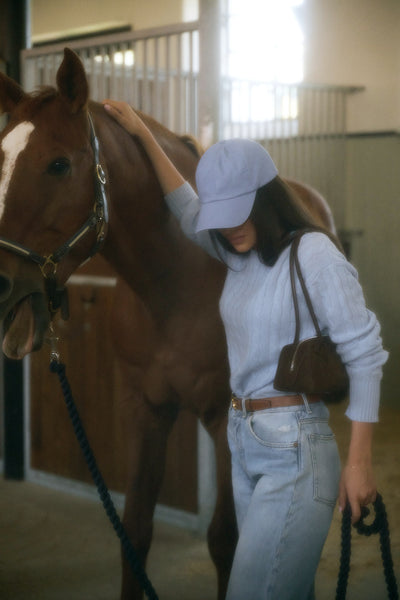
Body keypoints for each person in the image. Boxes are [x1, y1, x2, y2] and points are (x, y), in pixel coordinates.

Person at [102, 100, 388, 600]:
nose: (228, 226)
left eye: (237, 213)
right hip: (244, 443)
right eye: (222, 216)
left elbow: (365, 353)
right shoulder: (238, 256)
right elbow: (186, 205)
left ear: (265, 199)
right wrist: (143, 135)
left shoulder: (313, 253)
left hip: (295, 446)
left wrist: (359, 462)